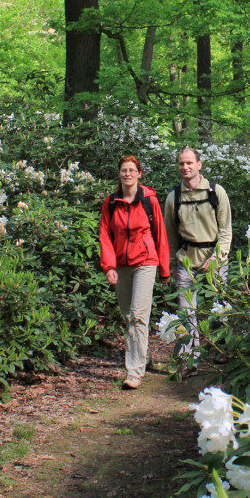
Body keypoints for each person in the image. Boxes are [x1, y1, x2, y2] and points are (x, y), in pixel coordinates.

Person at [98, 155, 170, 390]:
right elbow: (105, 236)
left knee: (139, 316)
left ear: (139, 174)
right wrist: (108, 266)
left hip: (146, 262)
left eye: (132, 170)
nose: (127, 174)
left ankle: (134, 372)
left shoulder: (150, 201)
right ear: (119, 174)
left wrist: (165, 270)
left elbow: (160, 234)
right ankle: (144, 355)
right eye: (123, 170)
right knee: (129, 316)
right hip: (120, 263)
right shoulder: (110, 203)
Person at [163, 147, 232, 373]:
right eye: (182, 163)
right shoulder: (174, 197)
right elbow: (170, 235)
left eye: (189, 163)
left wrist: (216, 257)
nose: (185, 167)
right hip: (186, 260)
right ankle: (189, 359)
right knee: (186, 311)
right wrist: (174, 263)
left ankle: (221, 350)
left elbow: (226, 230)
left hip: (214, 258)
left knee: (219, 307)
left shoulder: (216, 192)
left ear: (199, 165)